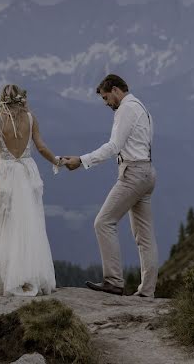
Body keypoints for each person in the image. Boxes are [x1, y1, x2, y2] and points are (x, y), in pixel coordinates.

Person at [60, 74, 158, 298]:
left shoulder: (125, 108)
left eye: (106, 98)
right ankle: (147, 291)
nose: (106, 104)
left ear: (115, 90)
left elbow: (114, 146)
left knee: (103, 222)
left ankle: (113, 281)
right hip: (148, 172)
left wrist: (81, 160)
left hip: (132, 173)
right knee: (145, 236)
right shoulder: (143, 108)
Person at [0, 84, 59, 296]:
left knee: (5, 222)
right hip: (26, 174)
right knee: (29, 222)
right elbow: (41, 146)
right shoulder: (31, 119)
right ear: (22, 100)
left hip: (6, 174)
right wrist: (56, 161)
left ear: (1, 100)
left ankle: (7, 275)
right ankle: (29, 274)